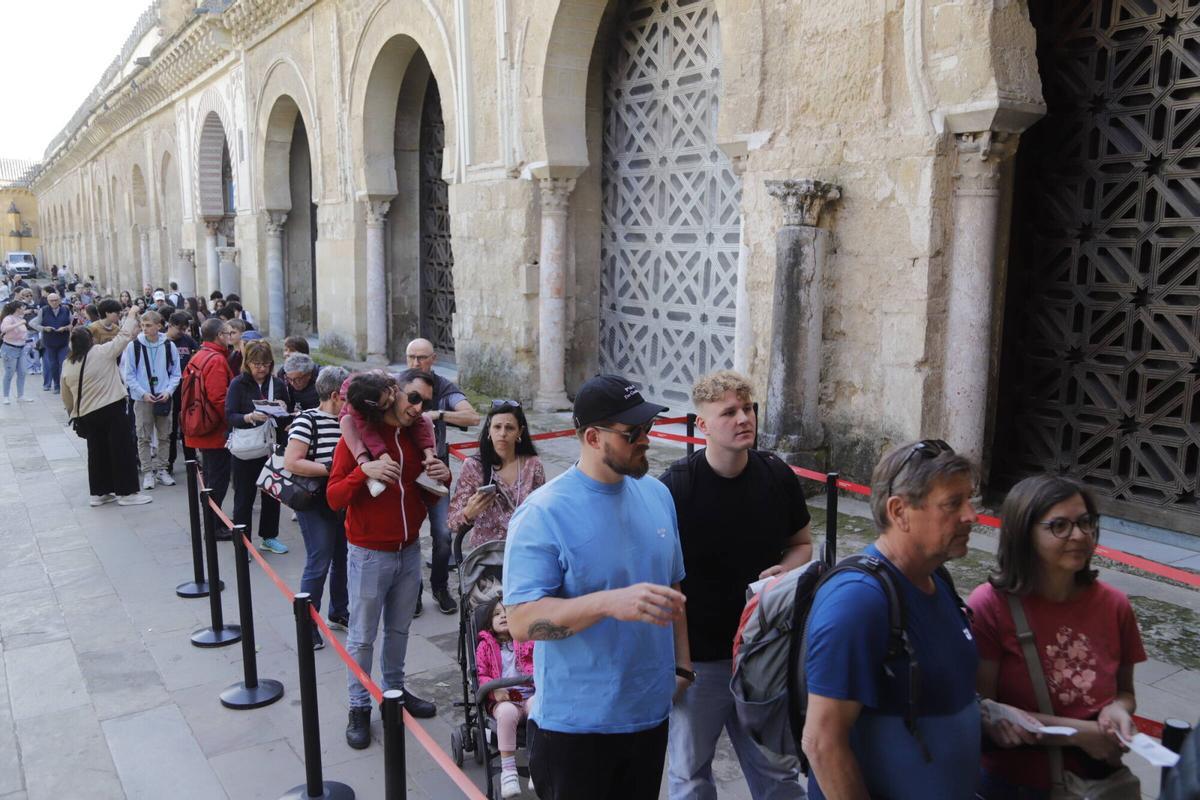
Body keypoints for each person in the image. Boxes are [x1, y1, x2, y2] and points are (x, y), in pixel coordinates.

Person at [503, 374, 685, 800]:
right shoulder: (543, 513)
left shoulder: (658, 495)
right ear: (591, 437)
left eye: (649, 428)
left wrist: (682, 667)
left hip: (649, 718)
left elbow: (673, 584)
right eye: (633, 433)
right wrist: (607, 603)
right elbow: (522, 624)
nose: (646, 440)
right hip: (576, 729)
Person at [659, 370, 813, 800]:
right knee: (689, 776)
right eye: (729, 412)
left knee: (778, 775)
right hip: (702, 662)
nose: (744, 418)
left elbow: (802, 544)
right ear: (703, 425)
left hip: (764, 654)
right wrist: (680, 664)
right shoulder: (675, 488)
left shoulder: (776, 476)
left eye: (748, 409)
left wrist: (786, 568)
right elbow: (661, 581)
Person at [802, 440, 981, 800]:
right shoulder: (857, 602)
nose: (971, 516)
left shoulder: (937, 579)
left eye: (970, 499)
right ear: (899, 511)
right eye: (952, 504)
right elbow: (822, 744)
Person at [969, 474, 1147, 799]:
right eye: (1059, 526)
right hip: (1015, 786)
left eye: (1085, 522)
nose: (1079, 535)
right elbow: (985, 712)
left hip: (1099, 784)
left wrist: (1118, 710)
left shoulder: (1115, 605)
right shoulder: (990, 607)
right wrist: (1082, 734)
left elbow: (1125, 691)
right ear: (1023, 533)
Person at [327, 370, 452, 748]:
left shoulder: (414, 437)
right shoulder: (356, 439)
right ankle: (358, 706)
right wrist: (363, 473)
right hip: (368, 554)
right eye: (408, 400)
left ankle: (394, 695)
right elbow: (333, 497)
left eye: (421, 403)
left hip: (410, 549)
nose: (414, 408)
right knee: (362, 637)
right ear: (386, 402)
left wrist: (440, 480)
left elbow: (422, 498)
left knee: (399, 631)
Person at [405, 338, 481, 616]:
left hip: (436, 471)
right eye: (411, 357)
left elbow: (472, 417)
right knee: (409, 535)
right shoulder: (397, 383)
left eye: (421, 357)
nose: (416, 363)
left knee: (443, 533)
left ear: (433, 358)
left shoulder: (442, 386)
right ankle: (411, 592)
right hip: (405, 471)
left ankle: (439, 586)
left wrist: (437, 414)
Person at [284, 365, 351, 649]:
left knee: (343, 557)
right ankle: (307, 623)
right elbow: (292, 461)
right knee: (319, 561)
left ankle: (339, 610)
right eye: (347, 395)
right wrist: (331, 469)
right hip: (315, 502)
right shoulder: (307, 420)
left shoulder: (348, 421)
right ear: (336, 395)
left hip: (341, 500)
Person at [61, 306, 153, 506]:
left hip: (86, 413)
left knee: (97, 453)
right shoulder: (102, 352)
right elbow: (125, 335)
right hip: (111, 408)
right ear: (91, 339)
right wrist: (129, 315)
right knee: (121, 450)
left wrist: (73, 412)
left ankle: (100, 493)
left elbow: (65, 395)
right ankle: (127, 493)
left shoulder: (68, 363)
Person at [448, 399, 545, 549]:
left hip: (526, 549)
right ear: (489, 429)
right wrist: (468, 513)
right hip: (488, 555)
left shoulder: (532, 465)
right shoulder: (474, 467)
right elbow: (451, 522)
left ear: (520, 432)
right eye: (497, 427)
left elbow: (543, 512)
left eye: (510, 428)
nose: (502, 434)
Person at [225, 339, 290, 554]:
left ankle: (269, 537)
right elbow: (230, 416)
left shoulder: (278, 384)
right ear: (247, 363)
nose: (261, 369)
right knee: (244, 497)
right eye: (256, 364)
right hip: (247, 448)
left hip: (271, 446)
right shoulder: (238, 384)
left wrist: (281, 409)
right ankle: (242, 542)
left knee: (272, 494)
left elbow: (285, 420)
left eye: (266, 364)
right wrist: (249, 416)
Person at [475, 597, 536, 798]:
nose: (503, 616)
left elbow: (538, 662)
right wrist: (493, 690)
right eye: (496, 613)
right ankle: (508, 770)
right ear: (489, 622)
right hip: (503, 699)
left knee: (539, 707)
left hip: (528, 695)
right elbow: (481, 674)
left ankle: (537, 762)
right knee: (508, 712)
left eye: (507, 612)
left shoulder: (525, 639)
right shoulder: (486, 646)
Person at [123, 310, 181, 490]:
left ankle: (162, 469)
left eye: (148, 325)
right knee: (143, 436)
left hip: (163, 396)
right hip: (143, 398)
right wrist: (142, 392)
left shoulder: (168, 346)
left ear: (159, 326)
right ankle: (148, 471)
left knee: (165, 435)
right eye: (142, 325)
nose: (145, 329)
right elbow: (129, 374)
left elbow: (176, 373)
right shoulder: (134, 346)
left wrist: (169, 391)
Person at [183, 318, 236, 513]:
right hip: (214, 430)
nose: (230, 337)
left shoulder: (200, 355)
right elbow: (219, 398)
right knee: (217, 480)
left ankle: (211, 521)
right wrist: (232, 424)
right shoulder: (215, 359)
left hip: (203, 425)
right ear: (219, 336)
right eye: (228, 333)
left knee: (211, 477)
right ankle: (214, 523)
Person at [164, 311, 199, 474]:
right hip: (169, 391)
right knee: (170, 429)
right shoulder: (162, 342)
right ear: (170, 325)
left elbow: (198, 354)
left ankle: (190, 459)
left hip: (186, 390)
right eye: (179, 329)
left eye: (185, 329)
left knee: (186, 426)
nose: (182, 333)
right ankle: (169, 462)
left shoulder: (187, 340)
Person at [37, 292, 72, 394]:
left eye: (56, 300)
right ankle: (56, 385)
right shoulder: (43, 310)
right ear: (48, 301)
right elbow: (36, 324)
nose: (54, 302)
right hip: (49, 342)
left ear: (59, 300)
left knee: (63, 363)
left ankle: (63, 385)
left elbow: (71, 324)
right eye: (51, 300)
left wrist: (65, 328)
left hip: (63, 341)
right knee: (53, 365)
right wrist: (44, 328)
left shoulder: (66, 310)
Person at [1, 301, 34, 404]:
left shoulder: (20, 318)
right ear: (17, 309)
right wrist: (20, 323)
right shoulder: (9, 318)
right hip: (10, 349)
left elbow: (23, 333)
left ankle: (21, 396)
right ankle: (6, 396)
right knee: (9, 373)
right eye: (22, 307)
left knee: (22, 372)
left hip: (22, 348)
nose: (24, 308)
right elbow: (4, 329)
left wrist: (29, 342)